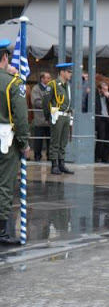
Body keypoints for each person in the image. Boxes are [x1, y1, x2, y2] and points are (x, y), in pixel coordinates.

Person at [0, 39, 29, 245]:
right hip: (5, 141)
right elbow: (20, 117)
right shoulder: (12, 82)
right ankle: (2, 231)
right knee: (4, 185)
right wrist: (24, 143)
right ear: (5, 57)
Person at [42, 62, 74, 175]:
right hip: (57, 116)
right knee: (55, 142)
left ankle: (61, 164)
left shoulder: (67, 85)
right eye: (69, 71)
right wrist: (48, 116)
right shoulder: (53, 85)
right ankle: (54, 165)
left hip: (66, 116)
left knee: (63, 141)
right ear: (62, 72)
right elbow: (46, 102)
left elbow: (69, 102)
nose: (70, 74)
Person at [30, 72, 51, 162]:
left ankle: (50, 156)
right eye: (47, 78)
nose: (49, 79)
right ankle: (37, 156)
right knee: (38, 140)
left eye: (49, 78)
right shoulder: (36, 89)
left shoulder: (50, 88)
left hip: (49, 119)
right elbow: (36, 102)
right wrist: (48, 104)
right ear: (42, 79)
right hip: (40, 119)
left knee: (50, 140)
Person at [94, 81, 109, 163]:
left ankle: (105, 157)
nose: (106, 91)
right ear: (99, 89)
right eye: (104, 89)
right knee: (101, 137)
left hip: (108, 118)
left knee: (108, 138)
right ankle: (97, 156)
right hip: (100, 119)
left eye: (107, 89)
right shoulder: (95, 96)